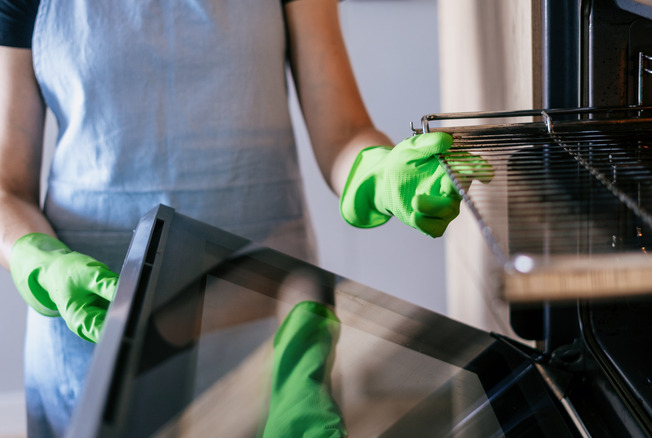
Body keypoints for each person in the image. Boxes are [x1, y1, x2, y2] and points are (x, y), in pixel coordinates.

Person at [0, 0, 463, 436]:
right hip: (94, 334)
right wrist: (39, 261)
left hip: (265, 323)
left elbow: (341, 133)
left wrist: (378, 173)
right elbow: (7, 182)